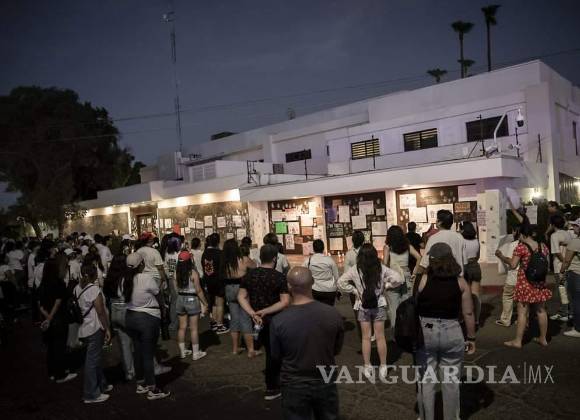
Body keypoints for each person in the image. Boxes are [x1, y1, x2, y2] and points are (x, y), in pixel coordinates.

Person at [270, 267, 344, 420]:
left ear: (289, 286)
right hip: (324, 377)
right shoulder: (333, 314)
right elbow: (336, 349)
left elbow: (276, 355)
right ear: (313, 282)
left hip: (293, 380)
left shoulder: (279, 320)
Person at [415, 242, 477, 420]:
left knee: (427, 381)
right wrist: (471, 337)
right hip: (452, 330)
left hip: (426, 330)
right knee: (451, 383)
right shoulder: (460, 282)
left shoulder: (423, 280)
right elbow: (468, 312)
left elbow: (415, 305)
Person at [337, 243, 403, 380]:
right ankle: (383, 366)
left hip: (363, 306)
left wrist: (355, 291)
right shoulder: (381, 268)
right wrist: (386, 285)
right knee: (380, 337)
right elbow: (398, 278)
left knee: (366, 337)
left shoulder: (355, 269)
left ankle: (367, 366)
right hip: (379, 304)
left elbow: (340, 282)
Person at [238, 244, 291, 400]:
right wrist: (266, 310)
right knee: (276, 353)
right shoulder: (279, 277)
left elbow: (241, 296)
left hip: (258, 320)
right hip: (276, 319)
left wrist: (252, 313)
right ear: (275, 258)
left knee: (269, 350)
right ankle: (273, 386)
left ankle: (273, 383)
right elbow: (285, 301)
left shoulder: (249, 276)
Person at [123, 252, 171, 400]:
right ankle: (152, 388)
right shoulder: (146, 278)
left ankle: (141, 383)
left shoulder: (124, 279)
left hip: (130, 316)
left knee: (137, 352)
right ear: (141, 265)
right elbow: (158, 293)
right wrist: (163, 309)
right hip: (147, 318)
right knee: (148, 354)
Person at [504, 224, 551, 348]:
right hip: (539, 283)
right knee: (541, 310)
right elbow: (546, 265)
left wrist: (505, 258)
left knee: (522, 312)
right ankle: (543, 339)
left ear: (523, 234)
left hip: (525, 282)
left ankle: (518, 341)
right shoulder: (543, 246)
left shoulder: (521, 247)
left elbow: (513, 265)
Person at [75, 261, 113, 403]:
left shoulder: (77, 288)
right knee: (92, 362)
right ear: (94, 275)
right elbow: (101, 312)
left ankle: (101, 384)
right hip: (94, 327)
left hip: (84, 328)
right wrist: (107, 328)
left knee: (94, 359)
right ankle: (91, 394)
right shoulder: (94, 290)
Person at [37, 258, 76, 384]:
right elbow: (58, 302)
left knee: (51, 347)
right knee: (59, 347)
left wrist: (47, 317)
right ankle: (60, 375)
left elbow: (40, 304)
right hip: (59, 319)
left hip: (47, 319)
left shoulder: (43, 283)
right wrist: (51, 317)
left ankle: (52, 373)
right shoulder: (58, 283)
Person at [221, 239, 258, 356]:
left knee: (234, 318)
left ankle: (235, 348)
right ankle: (251, 350)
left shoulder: (224, 262)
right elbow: (255, 266)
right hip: (241, 288)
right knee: (245, 317)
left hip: (228, 288)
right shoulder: (243, 259)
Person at [102, 254, 135, 381]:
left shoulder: (110, 278)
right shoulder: (127, 278)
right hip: (126, 310)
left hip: (114, 311)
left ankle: (129, 371)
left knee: (124, 343)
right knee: (136, 341)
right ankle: (138, 368)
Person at [383, 225, 421, 328]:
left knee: (393, 307)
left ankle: (396, 330)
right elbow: (419, 257)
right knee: (407, 305)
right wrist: (414, 272)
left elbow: (385, 263)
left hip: (393, 277)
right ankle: (407, 329)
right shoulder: (407, 246)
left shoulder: (388, 247)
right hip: (406, 276)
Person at [174, 250, 209, 359]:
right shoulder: (193, 272)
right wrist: (205, 303)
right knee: (194, 328)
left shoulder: (176, 272)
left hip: (180, 299)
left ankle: (182, 351)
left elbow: (175, 289)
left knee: (182, 327)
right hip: (192, 299)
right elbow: (198, 290)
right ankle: (196, 353)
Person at [416, 210, 465, 278]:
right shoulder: (459, 237)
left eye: (437, 219)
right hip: (457, 277)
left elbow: (425, 262)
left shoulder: (433, 238)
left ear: (440, 222)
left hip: (439, 278)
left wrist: (417, 275)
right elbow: (464, 260)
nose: (436, 221)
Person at [202, 233, 229, 334]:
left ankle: (213, 323)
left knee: (213, 302)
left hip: (208, 280)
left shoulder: (205, 253)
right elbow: (224, 268)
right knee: (220, 303)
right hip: (219, 280)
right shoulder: (220, 253)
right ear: (218, 242)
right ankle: (220, 325)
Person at [494, 228, 521, 327]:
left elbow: (511, 262)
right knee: (522, 299)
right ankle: (523, 319)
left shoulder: (514, 245)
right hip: (525, 276)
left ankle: (505, 319)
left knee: (508, 296)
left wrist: (500, 255)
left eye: (513, 230)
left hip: (514, 276)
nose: (512, 233)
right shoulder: (531, 244)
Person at [549, 214, 573, 322]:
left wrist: (564, 263)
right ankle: (567, 312)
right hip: (569, 265)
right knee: (566, 290)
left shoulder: (554, 236)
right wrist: (567, 263)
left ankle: (564, 313)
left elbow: (557, 252)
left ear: (553, 224)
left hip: (560, 267)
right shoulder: (568, 234)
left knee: (562, 290)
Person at [302, 239, 339, 306]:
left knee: (316, 310)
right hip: (330, 290)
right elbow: (336, 277)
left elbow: (302, 274)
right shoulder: (330, 260)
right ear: (323, 248)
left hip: (315, 290)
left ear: (313, 249)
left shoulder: (308, 261)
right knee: (329, 309)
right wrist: (338, 290)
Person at [560, 218, 580, 337]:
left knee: (576, 302)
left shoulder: (575, 242)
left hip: (576, 274)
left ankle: (578, 329)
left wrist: (562, 272)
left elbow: (566, 261)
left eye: (576, 226)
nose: (573, 227)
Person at [460, 221, 482, 325]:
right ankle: (477, 319)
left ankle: (465, 317)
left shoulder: (461, 241)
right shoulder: (476, 241)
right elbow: (478, 256)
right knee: (476, 294)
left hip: (465, 267)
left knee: (465, 295)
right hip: (475, 266)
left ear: (463, 230)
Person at [163, 236, 180, 332]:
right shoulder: (177, 254)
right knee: (176, 301)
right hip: (176, 279)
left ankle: (174, 322)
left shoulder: (167, 253)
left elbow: (165, 266)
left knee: (173, 301)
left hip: (170, 278)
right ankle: (174, 323)